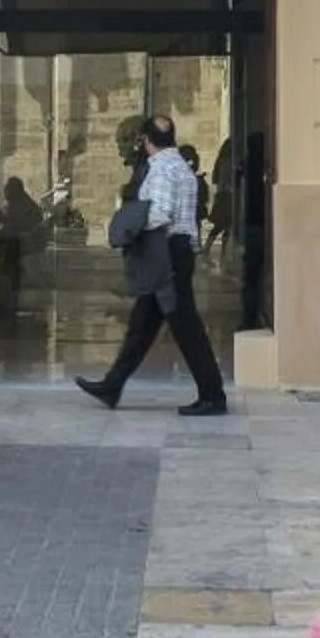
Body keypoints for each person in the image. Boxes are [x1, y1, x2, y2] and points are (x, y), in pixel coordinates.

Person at [76, 115, 229, 417]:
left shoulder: (159, 170)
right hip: (177, 251)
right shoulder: (182, 168)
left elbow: (160, 214)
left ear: (146, 141)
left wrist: (126, 224)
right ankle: (113, 385)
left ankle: (213, 395)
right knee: (142, 325)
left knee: (186, 328)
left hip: (165, 253)